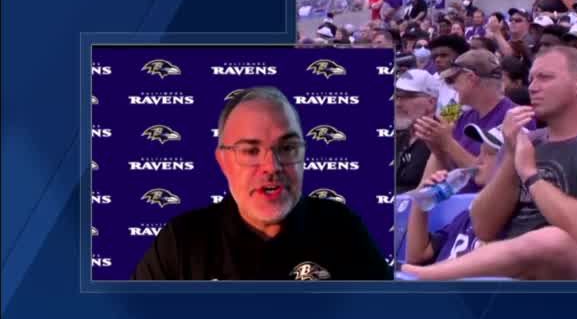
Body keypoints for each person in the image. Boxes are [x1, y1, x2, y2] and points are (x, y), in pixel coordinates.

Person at [133, 87, 390, 280]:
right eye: (251, 151)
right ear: (223, 161)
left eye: (288, 148)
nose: (272, 166)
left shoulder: (343, 228)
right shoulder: (181, 240)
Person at [431, 47, 577, 278]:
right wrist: (512, 157)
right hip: (516, 281)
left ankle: (430, 279)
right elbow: (483, 227)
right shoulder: (524, 143)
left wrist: (530, 174)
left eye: (545, 78)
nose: (532, 87)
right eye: (531, 79)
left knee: (553, 239)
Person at [401, 124, 505, 271]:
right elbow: (417, 256)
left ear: (512, 163)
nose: (478, 160)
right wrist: (422, 202)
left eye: (489, 153)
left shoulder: (515, 221)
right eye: (480, 152)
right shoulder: (468, 214)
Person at [418, 50, 516, 178]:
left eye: (454, 80)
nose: (453, 87)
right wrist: (437, 147)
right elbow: (453, 168)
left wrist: (447, 142)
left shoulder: (515, 118)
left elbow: (489, 178)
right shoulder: (462, 114)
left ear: (471, 78)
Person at [395, 69, 440, 194]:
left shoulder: (439, 139)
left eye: (407, 97)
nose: (398, 103)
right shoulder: (399, 136)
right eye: (397, 96)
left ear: (431, 102)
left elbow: (425, 191)